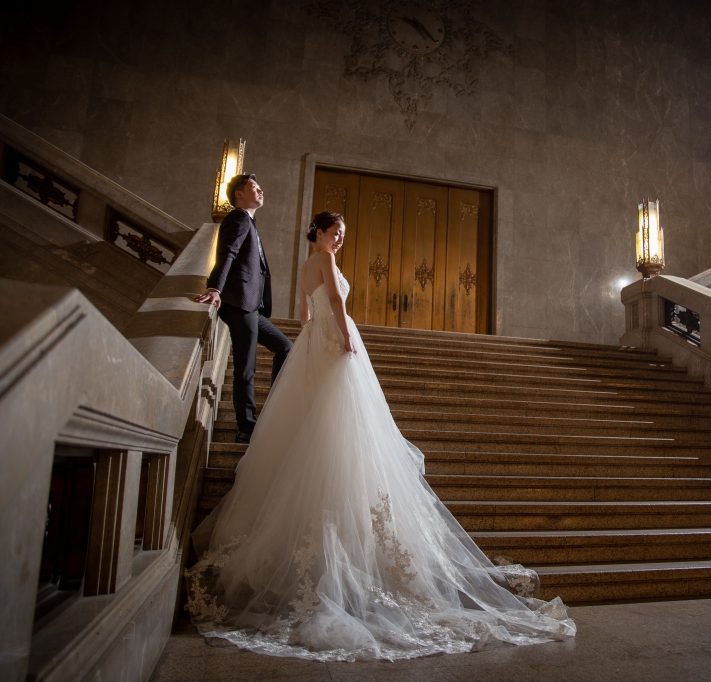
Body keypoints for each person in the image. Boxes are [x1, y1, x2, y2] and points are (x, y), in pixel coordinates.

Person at [186, 211, 575, 661]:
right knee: (344, 424)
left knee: (313, 426)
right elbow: (334, 299)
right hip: (335, 339)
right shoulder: (327, 263)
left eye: (343, 235)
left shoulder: (308, 262)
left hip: (314, 341)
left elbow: (303, 310)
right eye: (335, 233)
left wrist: (316, 333)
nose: (340, 240)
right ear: (319, 232)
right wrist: (347, 336)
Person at [194, 174, 292, 443]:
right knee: (245, 368)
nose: (261, 191)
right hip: (239, 303)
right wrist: (215, 288)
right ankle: (246, 427)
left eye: (261, 187)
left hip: (251, 307)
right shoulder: (238, 218)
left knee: (285, 347)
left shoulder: (249, 221)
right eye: (255, 188)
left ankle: (270, 412)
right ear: (239, 194)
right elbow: (227, 252)